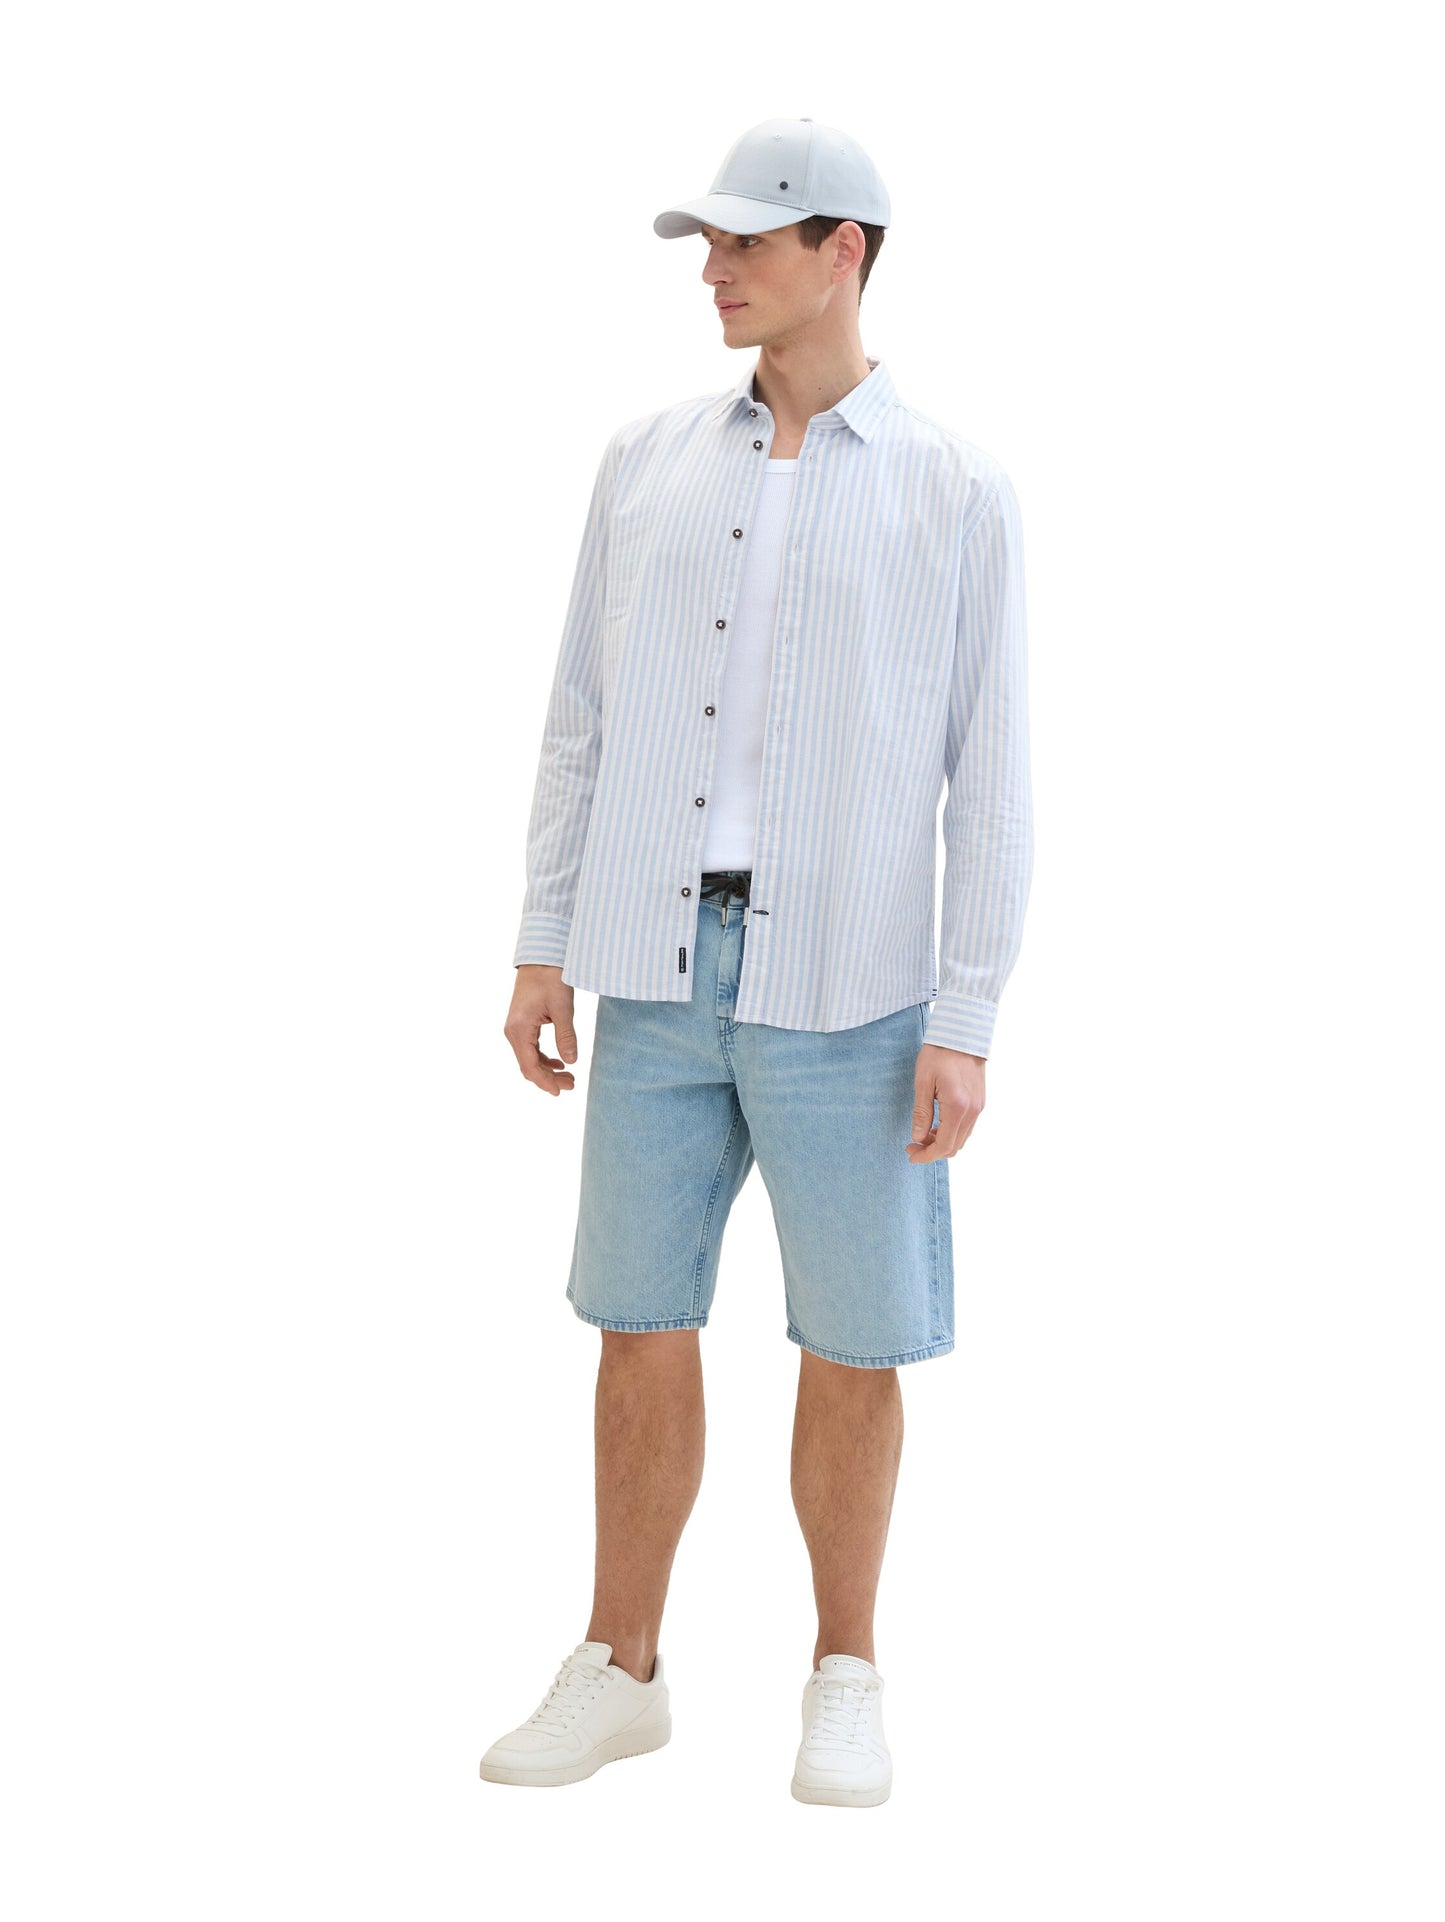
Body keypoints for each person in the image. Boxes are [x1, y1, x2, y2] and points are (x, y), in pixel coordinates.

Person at [481, 117, 1034, 1806]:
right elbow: (578, 715)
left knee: (852, 1340)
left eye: (746, 241)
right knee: (634, 1319)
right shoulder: (644, 459)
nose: (713, 269)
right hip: (650, 964)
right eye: (707, 243)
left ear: (840, 250)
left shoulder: (953, 488)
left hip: (852, 987)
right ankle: (621, 1665)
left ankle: (843, 1670)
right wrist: (543, 942)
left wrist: (965, 1013)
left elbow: (991, 772)